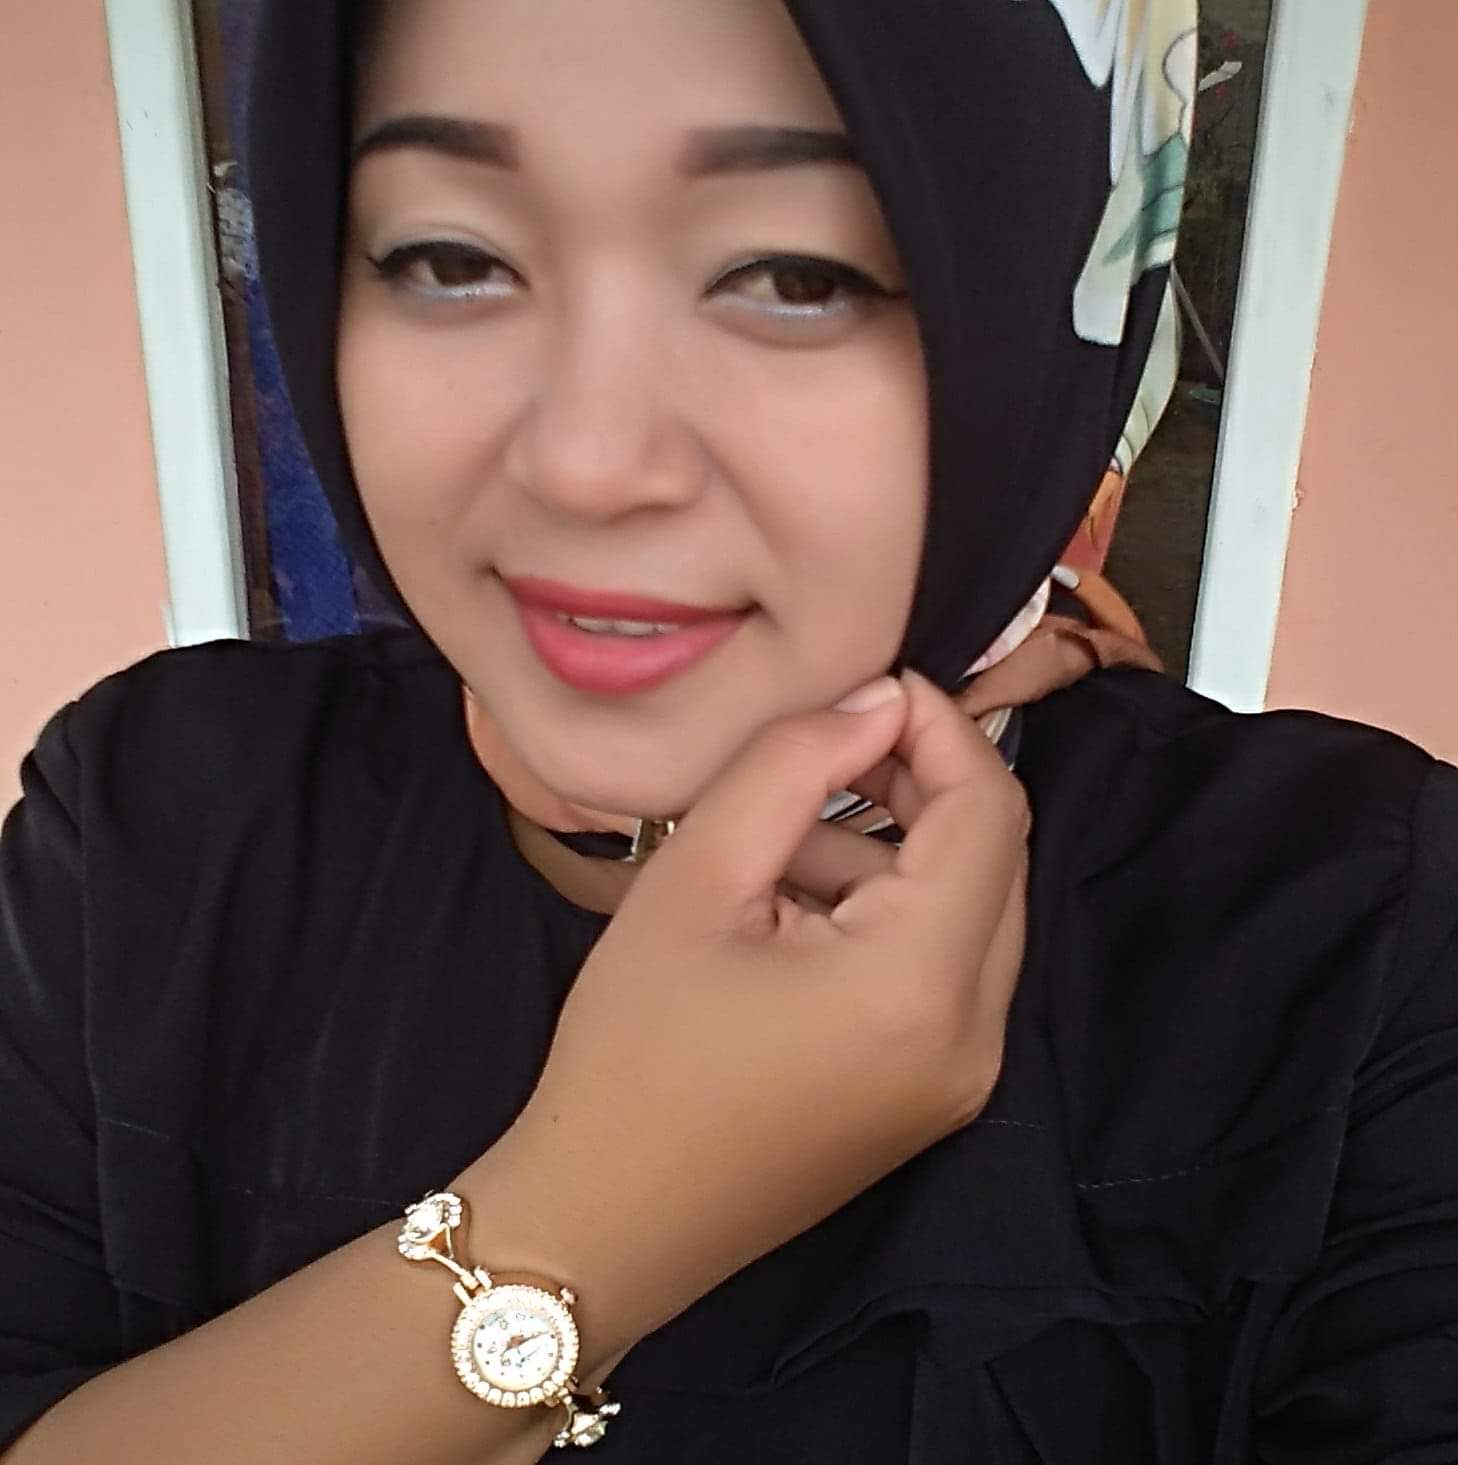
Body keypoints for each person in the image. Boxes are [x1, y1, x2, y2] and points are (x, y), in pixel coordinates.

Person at [2, 1, 1455, 1460]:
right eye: (449, 258)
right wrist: (589, 1221)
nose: (586, 461)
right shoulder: (153, 819)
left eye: (793, 275)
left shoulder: (1358, 933)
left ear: (1044, 310)